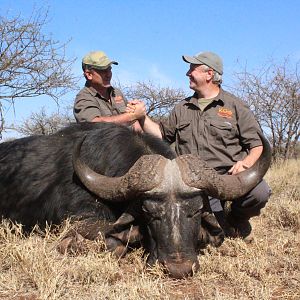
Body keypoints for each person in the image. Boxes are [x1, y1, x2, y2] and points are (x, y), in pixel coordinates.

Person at [129, 51, 271, 240]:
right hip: (192, 183)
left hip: (228, 177)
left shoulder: (236, 106)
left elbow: (257, 145)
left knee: (259, 193)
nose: (188, 73)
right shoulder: (182, 108)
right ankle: (221, 219)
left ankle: (237, 219)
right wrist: (142, 117)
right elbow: (162, 135)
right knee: (215, 235)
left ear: (209, 74)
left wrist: (246, 163)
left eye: (192, 69)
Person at [74, 51, 143, 131]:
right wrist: (131, 116)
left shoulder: (116, 92)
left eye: (109, 69)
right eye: (103, 71)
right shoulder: (84, 97)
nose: (108, 74)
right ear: (89, 75)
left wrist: (136, 111)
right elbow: (94, 124)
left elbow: (134, 123)